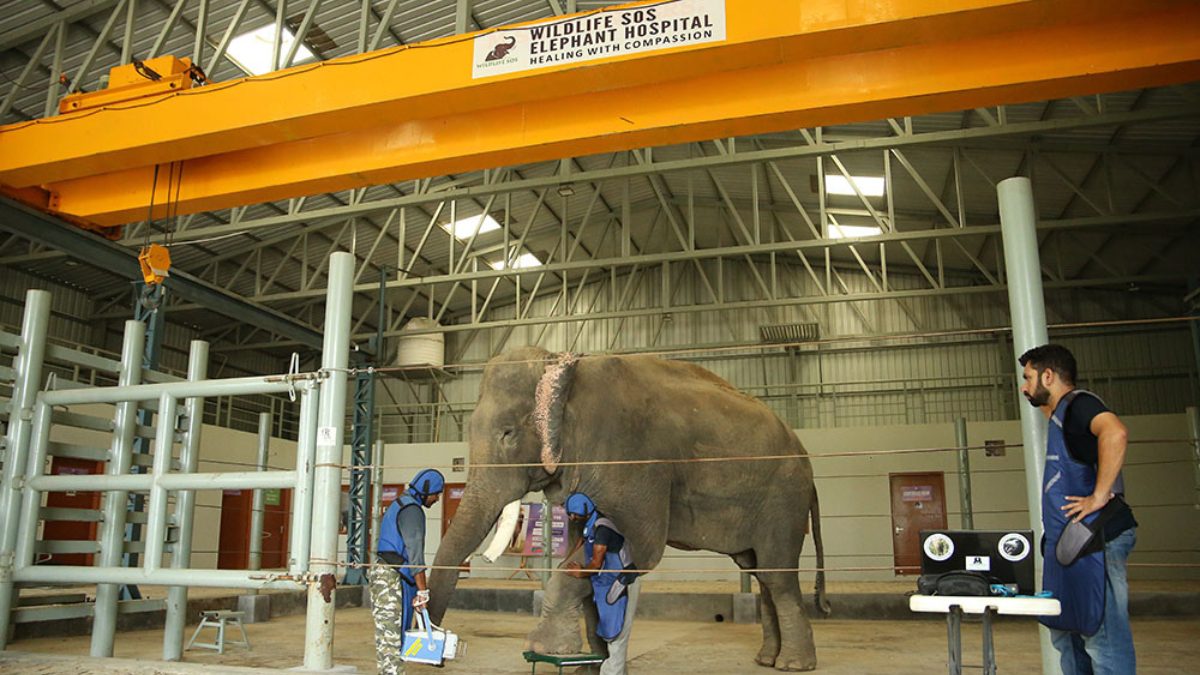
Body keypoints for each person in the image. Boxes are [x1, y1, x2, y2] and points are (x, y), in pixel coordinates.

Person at [1018, 344, 1137, 674]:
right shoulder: (1059, 417)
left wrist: (1099, 496)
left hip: (1096, 541)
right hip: (1070, 545)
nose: (1024, 387)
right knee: (1066, 632)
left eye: (1028, 378)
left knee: (1103, 636)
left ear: (1049, 375)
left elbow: (1115, 433)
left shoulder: (1080, 404)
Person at [370, 468, 445, 675]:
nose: (437, 499)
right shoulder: (412, 510)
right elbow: (415, 555)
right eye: (436, 494)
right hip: (391, 579)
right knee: (391, 639)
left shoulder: (401, 504)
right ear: (425, 491)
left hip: (390, 575)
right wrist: (423, 591)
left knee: (392, 637)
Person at [563, 492, 640, 675]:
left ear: (582, 512)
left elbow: (596, 563)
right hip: (607, 584)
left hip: (622, 584)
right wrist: (568, 560)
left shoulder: (603, 530)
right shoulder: (590, 525)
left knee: (617, 637)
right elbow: (583, 541)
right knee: (612, 637)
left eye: (574, 514)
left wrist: (580, 572)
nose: (572, 518)